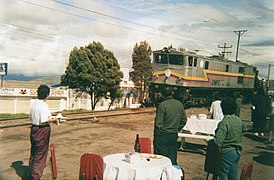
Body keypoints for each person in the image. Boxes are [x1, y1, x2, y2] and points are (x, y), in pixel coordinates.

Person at [29, 85, 59, 179]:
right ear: (47, 94)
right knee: (40, 154)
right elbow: (44, 120)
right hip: (42, 130)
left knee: (34, 152)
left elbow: (31, 118)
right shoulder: (43, 105)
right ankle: (36, 176)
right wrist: (56, 119)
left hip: (34, 128)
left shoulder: (33, 104)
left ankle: (31, 172)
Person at [212, 97, 245, 180]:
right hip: (237, 152)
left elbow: (218, 141)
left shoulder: (224, 122)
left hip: (227, 152)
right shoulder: (239, 120)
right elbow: (244, 131)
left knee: (222, 175)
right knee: (233, 175)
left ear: (223, 109)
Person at [153, 86, 187, 165]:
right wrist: (177, 129)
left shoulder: (162, 105)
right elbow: (183, 120)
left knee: (160, 159)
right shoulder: (179, 104)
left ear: (162, 94)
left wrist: (157, 135)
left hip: (162, 135)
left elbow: (158, 124)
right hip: (173, 135)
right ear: (172, 93)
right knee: (172, 158)